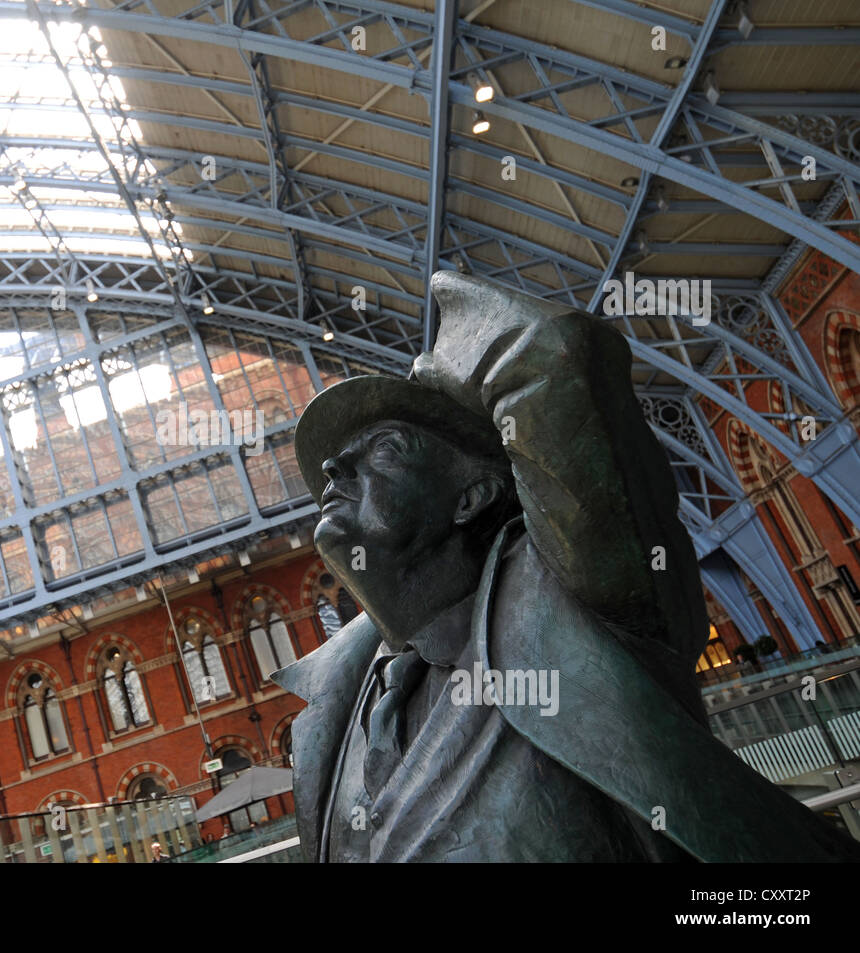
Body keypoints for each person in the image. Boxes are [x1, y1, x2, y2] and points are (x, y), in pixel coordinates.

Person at [272, 271, 860, 862]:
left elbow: (551, 353)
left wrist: (445, 371)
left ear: (471, 496)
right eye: (333, 462)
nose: (332, 469)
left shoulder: (570, 592)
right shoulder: (342, 702)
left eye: (382, 448)